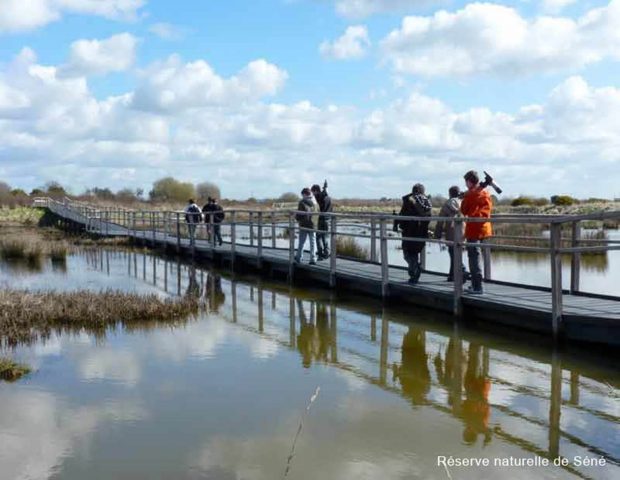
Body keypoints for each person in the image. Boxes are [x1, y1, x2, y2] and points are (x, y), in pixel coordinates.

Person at [460, 170, 493, 294]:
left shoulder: (470, 194)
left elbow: (464, 210)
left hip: (474, 228)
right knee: (479, 256)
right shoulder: (486, 193)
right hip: (485, 228)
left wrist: (465, 197)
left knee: (474, 257)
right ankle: (476, 284)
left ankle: (477, 287)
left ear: (469, 181)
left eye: (466, 182)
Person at [395, 183, 432, 284]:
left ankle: (415, 270)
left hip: (409, 232)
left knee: (408, 254)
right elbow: (429, 217)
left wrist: (399, 224)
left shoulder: (408, 200)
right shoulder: (426, 201)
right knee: (415, 253)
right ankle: (415, 272)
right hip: (422, 233)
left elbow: (403, 215)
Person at [435, 186, 468, 282]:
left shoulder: (447, 204)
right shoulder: (463, 203)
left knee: (453, 254)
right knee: (457, 253)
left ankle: (463, 271)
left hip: (451, 232)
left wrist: (438, 234)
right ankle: (452, 276)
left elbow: (440, 220)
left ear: (450, 193)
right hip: (463, 232)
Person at [295, 187, 319, 265]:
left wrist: (297, 219)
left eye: (302, 195)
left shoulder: (302, 202)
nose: (302, 196)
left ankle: (299, 257)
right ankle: (313, 259)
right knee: (313, 242)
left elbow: (298, 215)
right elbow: (318, 212)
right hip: (313, 225)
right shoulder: (315, 202)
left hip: (304, 224)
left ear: (305, 194)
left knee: (302, 241)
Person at [311, 182, 333, 260]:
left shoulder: (318, 198)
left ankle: (320, 254)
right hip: (327, 219)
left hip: (320, 219)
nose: (312, 194)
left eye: (313, 192)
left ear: (316, 190)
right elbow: (331, 209)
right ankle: (327, 253)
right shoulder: (329, 198)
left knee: (318, 237)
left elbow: (316, 209)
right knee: (325, 236)